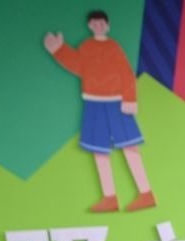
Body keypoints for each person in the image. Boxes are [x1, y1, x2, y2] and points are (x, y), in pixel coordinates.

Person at [44, 10, 156, 213]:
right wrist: (59, 50)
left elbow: (126, 73)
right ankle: (109, 197)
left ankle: (146, 193)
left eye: (101, 23)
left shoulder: (113, 47)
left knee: (129, 145)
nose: (98, 26)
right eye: (94, 24)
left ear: (108, 25)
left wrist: (130, 98)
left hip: (116, 102)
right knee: (98, 149)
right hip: (93, 102)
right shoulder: (86, 46)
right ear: (90, 26)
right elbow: (79, 66)